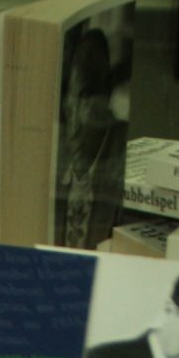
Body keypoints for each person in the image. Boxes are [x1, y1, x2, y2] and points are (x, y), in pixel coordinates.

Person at [54, 23, 127, 249]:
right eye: (69, 102)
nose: (74, 118)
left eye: (84, 97)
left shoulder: (123, 151)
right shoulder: (53, 156)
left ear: (105, 96)